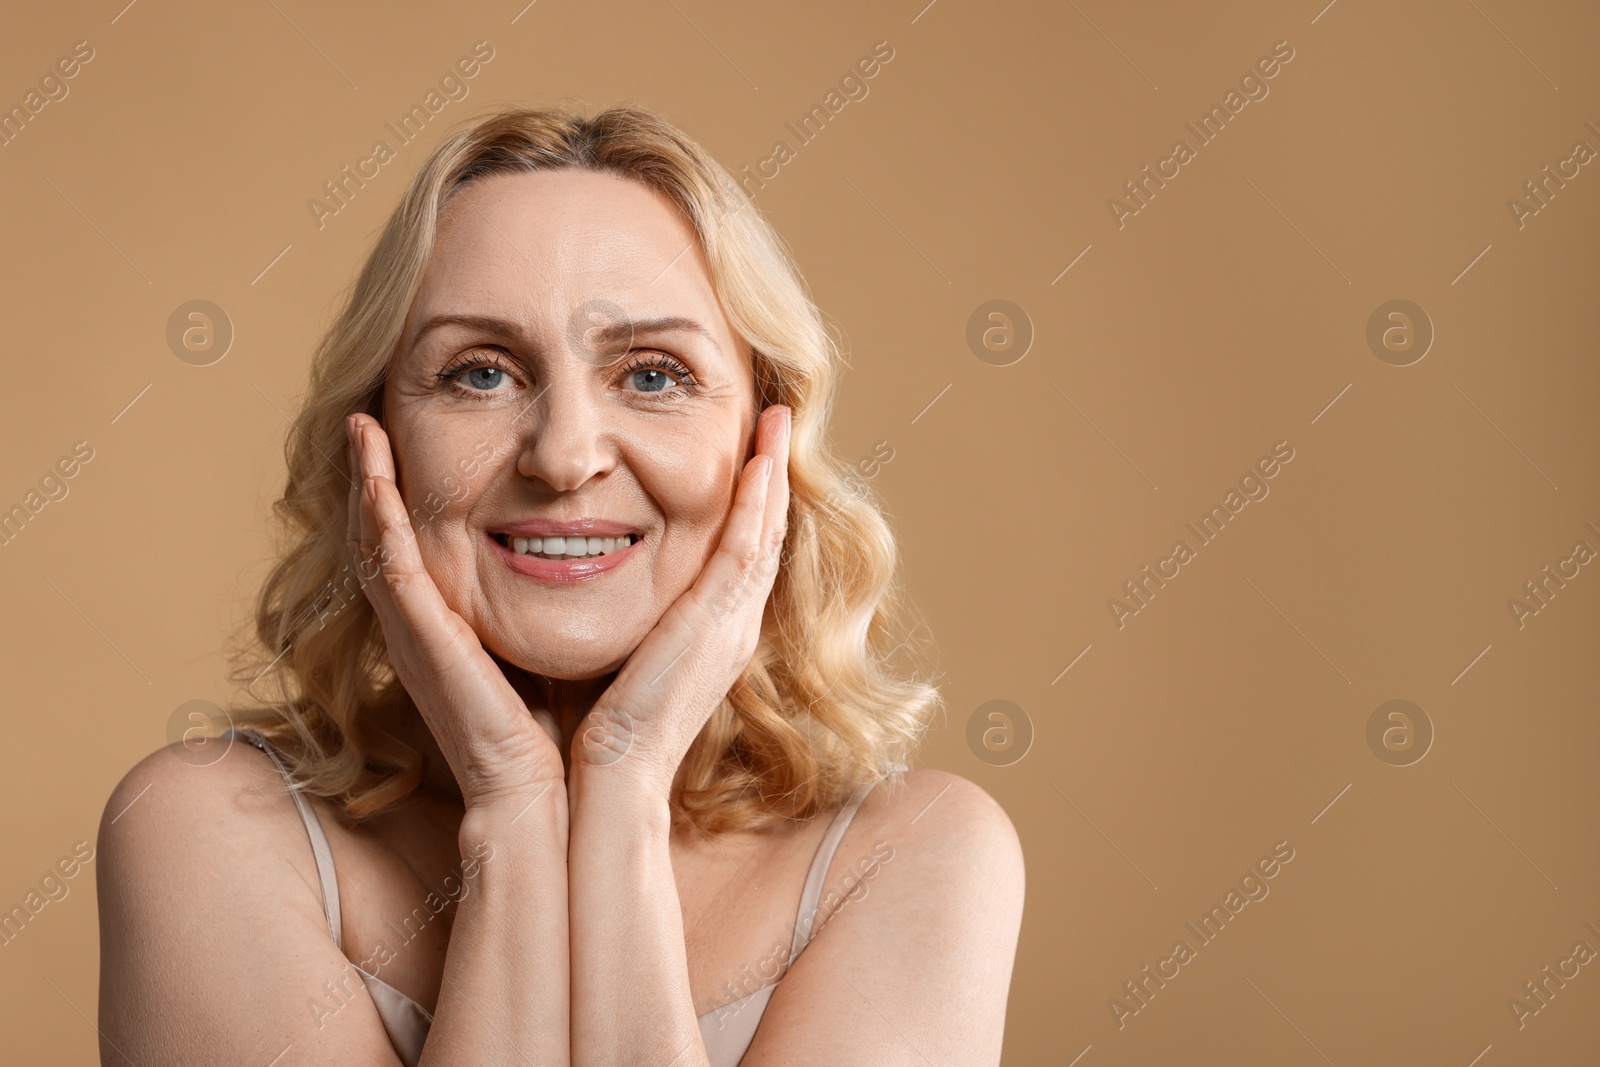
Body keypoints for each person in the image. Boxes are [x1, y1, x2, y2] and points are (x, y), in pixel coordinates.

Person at [96, 105, 1024, 1066]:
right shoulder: (205, 828)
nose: (564, 455)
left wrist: (621, 786)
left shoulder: (918, 856)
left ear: (764, 443)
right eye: (480, 374)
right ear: (379, 446)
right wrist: (512, 811)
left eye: (655, 375)